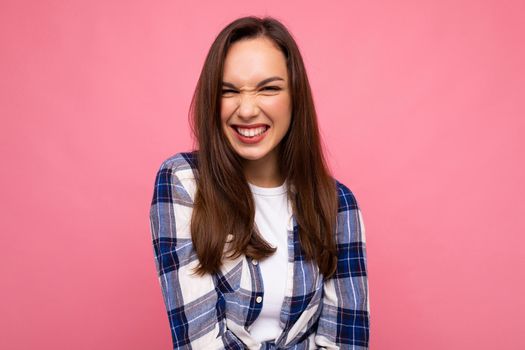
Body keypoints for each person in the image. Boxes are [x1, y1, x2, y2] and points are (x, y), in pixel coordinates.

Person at [149, 15, 370, 349]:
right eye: (230, 91)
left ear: (295, 97)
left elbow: (346, 339)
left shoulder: (338, 204)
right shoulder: (183, 184)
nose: (247, 109)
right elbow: (199, 341)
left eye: (268, 88)